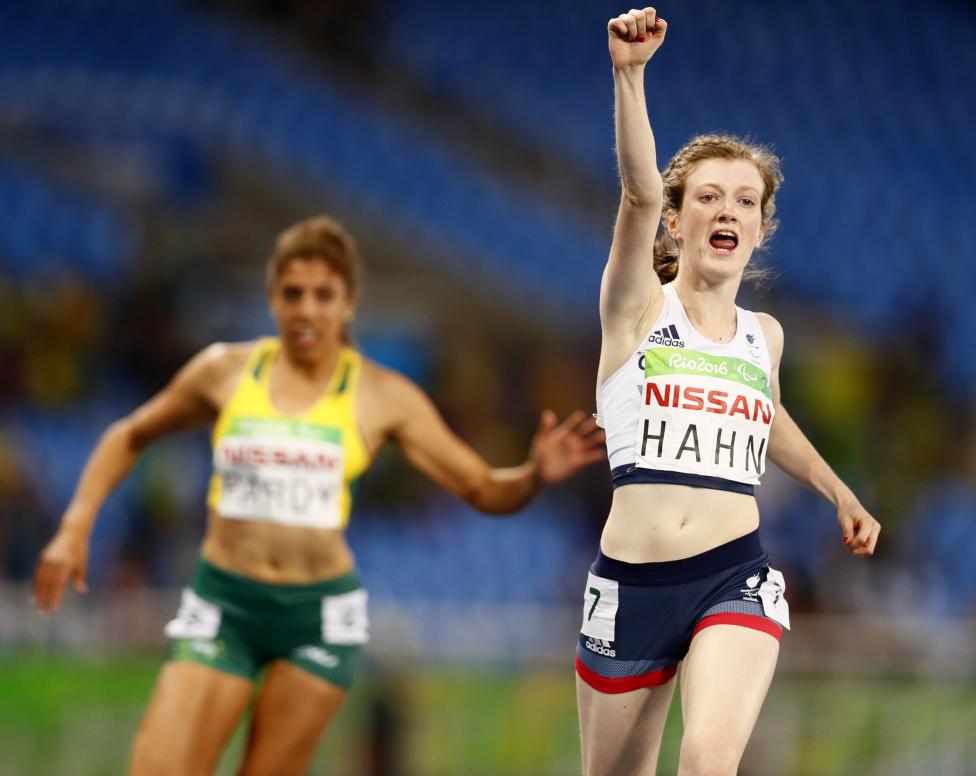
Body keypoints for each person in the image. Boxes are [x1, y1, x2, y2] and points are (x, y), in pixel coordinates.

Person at [33, 215, 605, 776]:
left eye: (323, 294)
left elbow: (482, 488)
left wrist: (533, 474)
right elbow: (128, 433)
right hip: (224, 604)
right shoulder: (225, 372)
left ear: (348, 302)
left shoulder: (384, 396)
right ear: (273, 299)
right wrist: (75, 526)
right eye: (292, 293)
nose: (307, 309)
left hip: (316, 617)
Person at [577, 9, 881, 775]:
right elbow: (638, 192)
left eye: (745, 201)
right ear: (677, 223)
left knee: (709, 761)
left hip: (732, 574)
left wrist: (837, 489)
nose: (728, 211)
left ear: (760, 228)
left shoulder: (763, 336)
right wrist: (630, 74)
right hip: (629, 582)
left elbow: (770, 419)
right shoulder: (636, 305)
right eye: (709, 197)